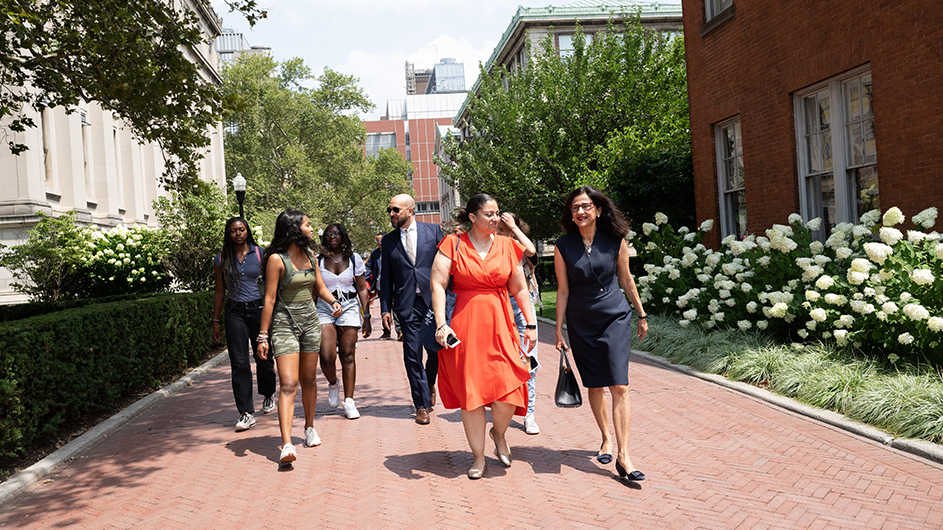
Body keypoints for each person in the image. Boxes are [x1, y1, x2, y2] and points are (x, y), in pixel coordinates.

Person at [430, 194, 538, 479]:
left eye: (497, 213)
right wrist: (441, 324)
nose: (495, 218)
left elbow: (520, 288)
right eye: (489, 214)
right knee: (472, 394)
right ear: (473, 218)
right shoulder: (453, 244)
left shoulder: (507, 245)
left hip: (501, 323)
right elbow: (437, 284)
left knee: (509, 388)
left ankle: (498, 433)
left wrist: (531, 324)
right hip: (466, 324)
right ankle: (478, 457)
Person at [553, 186, 649, 482]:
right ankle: (606, 437)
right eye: (574, 208)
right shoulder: (563, 245)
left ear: (597, 209)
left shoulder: (615, 240)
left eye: (584, 206)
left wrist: (641, 313)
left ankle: (624, 456)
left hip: (615, 316)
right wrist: (557, 329)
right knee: (595, 385)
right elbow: (563, 290)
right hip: (581, 321)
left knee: (619, 385)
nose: (579, 212)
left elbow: (626, 278)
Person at [257, 209, 343, 465]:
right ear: (294, 229)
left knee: (308, 380)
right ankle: (286, 444)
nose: (311, 228)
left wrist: (333, 301)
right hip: (284, 324)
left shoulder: (311, 256)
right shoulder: (276, 259)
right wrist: (263, 336)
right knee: (288, 383)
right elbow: (269, 299)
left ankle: (309, 427)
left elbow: (321, 287)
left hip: (310, 321)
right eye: (307, 224)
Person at [380, 194, 444, 425]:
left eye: (395, 210)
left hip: (433, 301)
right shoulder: (389, 241)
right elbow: (385, 277)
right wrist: (385, 308)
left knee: (435, 349)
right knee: (412, 354)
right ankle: (421, 405)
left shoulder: (434, 231)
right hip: (407, 305)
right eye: (390, 210)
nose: (391, 214)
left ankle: (429, 382)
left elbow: (447, 266)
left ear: (410, 210)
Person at [212, 217, 276, 432]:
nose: (238, 233)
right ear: (228, 234)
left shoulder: (261, 254)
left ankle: (268, 394)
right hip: (234, 312)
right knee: (239, 362)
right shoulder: (221, 259)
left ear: (247, 231)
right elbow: (219, 291)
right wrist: (216, 321)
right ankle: (246, 412)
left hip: (259, 310)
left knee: (264, 357)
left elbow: (271, 285)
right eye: (233, 230)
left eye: (241, 229)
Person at [317, 223, 372, 420]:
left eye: (336, 233)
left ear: (343, 236)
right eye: (329, 234)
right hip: (325, 308)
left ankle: (349, 401)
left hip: (349, 306)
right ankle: (333, 383)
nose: (333, 236)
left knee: (348, 354)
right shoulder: (318, 260)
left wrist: (366, 316)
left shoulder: (354, 258)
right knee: (326, 356)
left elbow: (362, 288)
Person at [496, 212, 541, 435]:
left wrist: (513, 229)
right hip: (499, 304)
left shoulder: (517, 244)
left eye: (504, 229)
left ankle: (529, 413)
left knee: (529, 359)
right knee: (503, 359)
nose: (499, 233)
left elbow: (531, 251)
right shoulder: (491, 245)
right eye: (499, 229)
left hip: (523, 305)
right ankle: (505, 405)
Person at [365, 233, 396, 340]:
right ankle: (386, 332)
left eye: (380, 240)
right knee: (384, 309)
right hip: (381, 285)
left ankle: (400, 331)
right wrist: (364, 279)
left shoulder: (393, 250)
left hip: (394, 285)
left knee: (396, 308)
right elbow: (369, 267)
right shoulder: (375, 253)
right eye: (377, 240)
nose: (379, 242)